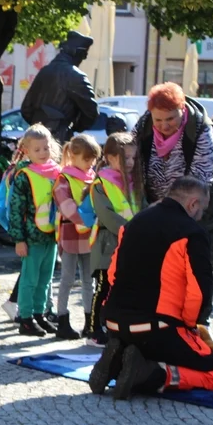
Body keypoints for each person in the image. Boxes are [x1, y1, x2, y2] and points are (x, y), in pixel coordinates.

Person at [90, 177, 213, 400]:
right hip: (157, 327)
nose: (201, 216)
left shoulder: (133, 223)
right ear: (193, 204)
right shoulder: (191, 232)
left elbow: (112, 274)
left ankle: (119, 363)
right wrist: (190, 326)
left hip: (114, 322)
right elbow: (199, 290)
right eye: (201, 209)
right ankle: (152, 374)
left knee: (146, 346)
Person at [132, 83, 213, 322]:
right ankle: (167, 318)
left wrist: (168, 210)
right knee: (164, 267)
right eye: (159, 120)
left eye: (170, 119)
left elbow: (199, 179)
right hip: (158, 208)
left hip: (200, 209)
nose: (164, 126)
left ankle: (198, 322)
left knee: (197, 266)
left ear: (182, 110)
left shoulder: (202, 130)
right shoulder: (143, 127)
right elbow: (132, 163)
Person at [86, 132, 143, 347]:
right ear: (109, 157)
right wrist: (134, 229)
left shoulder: (134, 182)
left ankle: (113, 327)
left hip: (128, 245)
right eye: (124, 158)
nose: (129, 163)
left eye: (132, 158)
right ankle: (93, 329)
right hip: (107, 246)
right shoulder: (101, 183)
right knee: (102, 288)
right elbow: (107, 214)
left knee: (120, 290)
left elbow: (142, 206)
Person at [8, 124, 61, 337]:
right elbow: (16, 209)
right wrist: (19, 239)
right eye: (37, 150)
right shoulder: (24, 175)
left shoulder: (57, 172)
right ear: (27, 151)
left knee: (45, 279)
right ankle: (26, 317)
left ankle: (40, 314)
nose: (42, 153)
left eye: (46, 148)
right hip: (32, 238)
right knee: (29, 279)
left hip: (51, 236)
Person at [54, 134, 100, 339]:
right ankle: (62, 320)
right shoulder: (64, 179)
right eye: (87, 158)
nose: (91, 163)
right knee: (66, 279)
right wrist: (90, 220)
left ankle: (90, 322)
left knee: (88, 281)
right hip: (71, 236)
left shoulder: (92, 177)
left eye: (93, 159)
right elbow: (66, 207)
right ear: (73, 156)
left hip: (88, 237)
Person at [21, 31, 98, 143]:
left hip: (36, 138)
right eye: (84, 55)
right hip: (59, 138)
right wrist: (74, 127)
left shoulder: (44, 72)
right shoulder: (76, 76)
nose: (83, 59)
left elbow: (26, 109)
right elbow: (91, 112)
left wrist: (38, 124)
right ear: (77, 52)